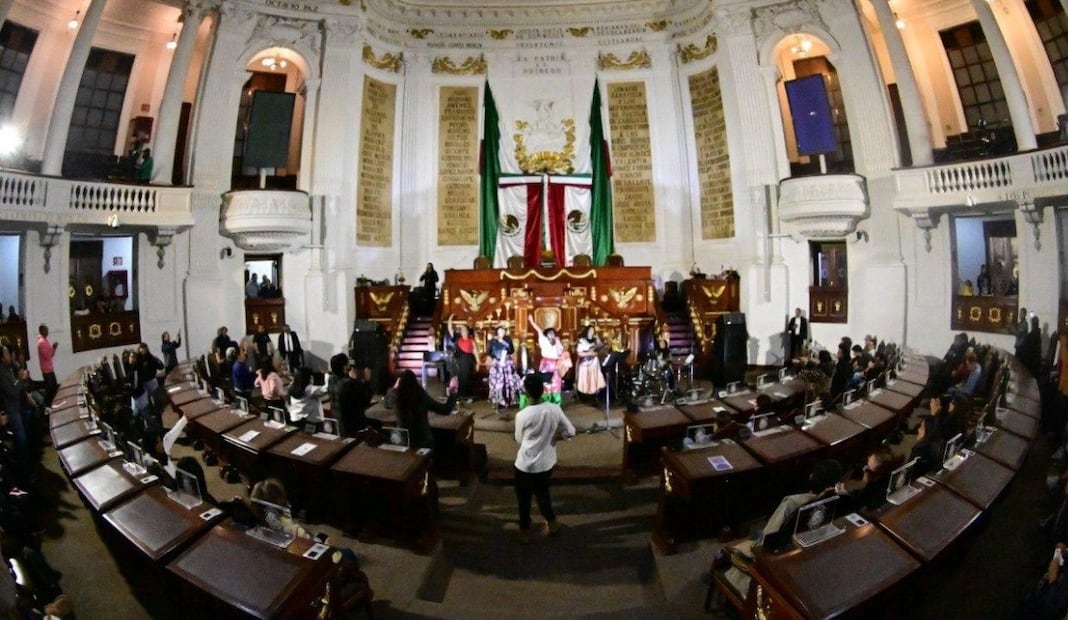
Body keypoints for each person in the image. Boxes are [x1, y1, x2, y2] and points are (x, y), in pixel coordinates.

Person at [721, 459, 843, 595]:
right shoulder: (836, 501)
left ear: (812, 477)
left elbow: (766, 540)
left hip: (774, 556)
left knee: (746, 542)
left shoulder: (792, 503)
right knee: (757, 533)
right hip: (801, 551)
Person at [513, 374, 575, 543]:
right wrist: (556, 437)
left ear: (526, 392)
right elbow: (570, 430)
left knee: (524, 498)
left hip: (525, 464)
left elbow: (518, 439)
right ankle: (552, 523)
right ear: (543, 389)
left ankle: (525, 530)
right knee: (543, 493)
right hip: (546, 462)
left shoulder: (522, 415)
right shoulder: (554, 408)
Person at [384, 370, 459, 450]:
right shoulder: (420, 395)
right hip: (423, 441)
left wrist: (394, 388)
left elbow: (386, 404)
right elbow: (445, 410)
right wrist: (453, 391)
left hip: (404, 441)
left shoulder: (395, 396)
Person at [328, 354, 379, 437]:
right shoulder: (349, 383)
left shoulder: (331, 379)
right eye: (348, 364)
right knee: (377, 425)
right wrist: (366, 381)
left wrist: (351, 379)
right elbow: (365, 402)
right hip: (351, 426)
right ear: (344, 367)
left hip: (337, 424)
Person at [528, 315, 567, 404]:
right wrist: (532, 321)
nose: (552, 335)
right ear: (546, 334)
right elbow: (539, 330)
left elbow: (560, 353)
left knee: (556, 383)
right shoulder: (543, 340)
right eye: (550, 333)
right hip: (547, 363)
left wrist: (557, 341)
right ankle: (546, 401)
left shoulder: (557, 342)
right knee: (546, 383)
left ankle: (556, 402)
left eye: (553, 333)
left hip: (556, 364)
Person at [487, 325, 522, 409]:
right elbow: (489, 352)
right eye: (500, 331)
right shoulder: (493, 341)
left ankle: (509, 399)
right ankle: (498, 400)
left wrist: (503, 342)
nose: (501, 332)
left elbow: (512, 350)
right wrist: (494, 359)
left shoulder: (508, 339)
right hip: (497, 363)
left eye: (503, 331)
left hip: (506, 362)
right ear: (497, 332)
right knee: (497, 382)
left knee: (509, 381)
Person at [447, 314, 477, 399]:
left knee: (466, 379)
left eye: (464, 329)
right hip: (457, 362)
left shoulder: (471, 339)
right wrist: (450, 318)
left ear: (467, 331)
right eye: (461, 329)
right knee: (456, 378)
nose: (462, 331)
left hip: (467, 362)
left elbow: (474, 350)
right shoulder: (457, 337)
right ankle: (455, 395)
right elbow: (450, 328)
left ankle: (465, 396)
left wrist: (478, 362)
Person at [575, 325, 606, 398]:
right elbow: (579, 353)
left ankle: (595, 391)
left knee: (595, 369)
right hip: (585, 362)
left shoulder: (594, 340)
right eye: (590, 330)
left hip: (594, 361)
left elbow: (601, 346)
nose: (592, 332)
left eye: (593, 331)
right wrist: (589, 353)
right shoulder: (582, 340)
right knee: (584, 371)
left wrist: (598, 339)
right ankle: (585, 392)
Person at [37, 324, 58, 406]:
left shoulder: (45, 340)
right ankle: (51, 407)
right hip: (47, 371)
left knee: (53, 389)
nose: (47, 331)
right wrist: (53, 347)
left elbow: (50, 355)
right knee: (51, 391)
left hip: (49, 369)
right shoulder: (42, 342)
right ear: (41, 331)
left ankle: (53, 405)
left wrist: (54, 348)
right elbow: (47, 356)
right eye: (46, 330)